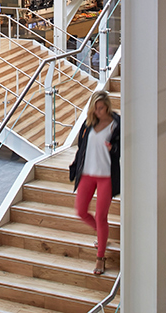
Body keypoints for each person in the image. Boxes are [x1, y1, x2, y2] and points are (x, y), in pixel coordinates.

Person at [69, 90, 120, 276]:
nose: (98, 111)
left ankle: (100, 257)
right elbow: (81, 148)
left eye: (101, 108)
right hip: (87, 174)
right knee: (81, 211)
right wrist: (75, 167)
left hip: (105, 176)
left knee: (101, 216)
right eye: (95, 108)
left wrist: (112, 147)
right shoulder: (88, 124)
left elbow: (122, 147)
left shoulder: (116, 125)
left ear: (107, 106)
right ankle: (102, 235)